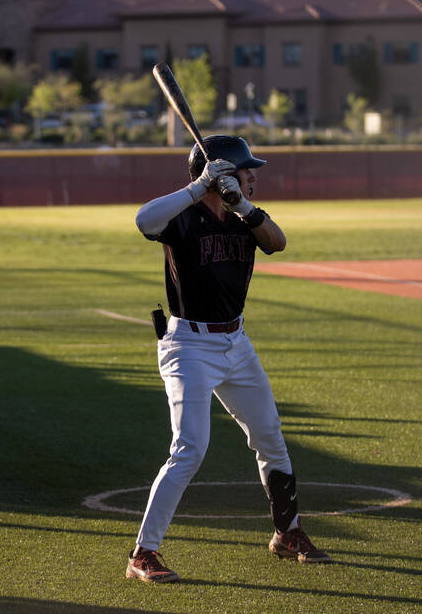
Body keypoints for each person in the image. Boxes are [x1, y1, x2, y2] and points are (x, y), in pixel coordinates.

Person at [125, 134, 329, 584]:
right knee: (190, 448)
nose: (253, 175)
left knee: (270, 436)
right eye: (245, 168)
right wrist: (199, 187)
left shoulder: (244, 217)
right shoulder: (183, 217)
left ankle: (287, 532)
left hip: (236, 343)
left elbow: (277, 242)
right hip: (189, 346)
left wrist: (243, 206)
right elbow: (143, 220)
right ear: (218, 173)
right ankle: (144, 552)